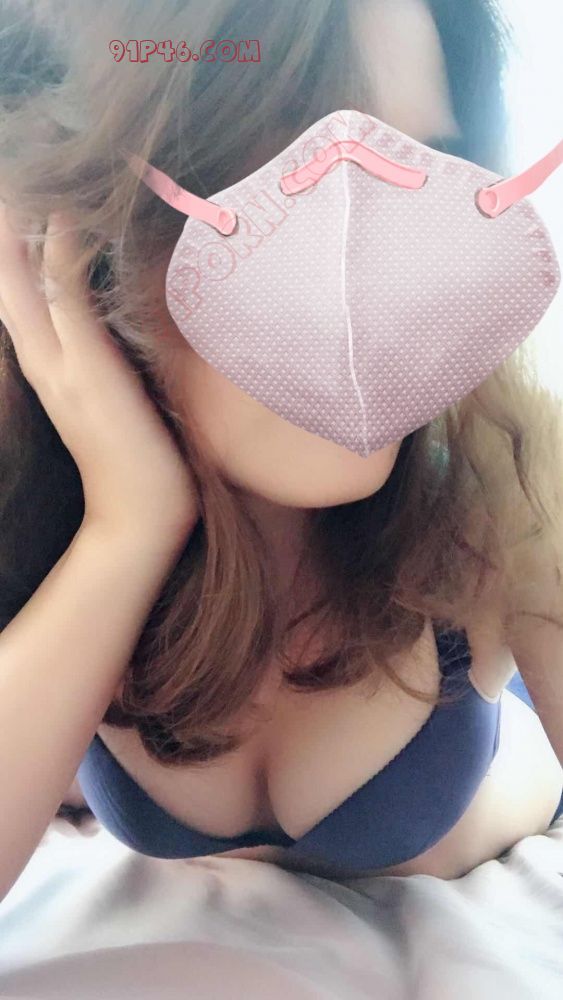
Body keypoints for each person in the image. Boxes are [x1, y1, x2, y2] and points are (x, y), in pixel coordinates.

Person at [0, 0, 562, 898]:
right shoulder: (29, 494)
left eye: (421, 170)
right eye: (280, 178)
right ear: (77, 239)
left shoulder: (511, 472)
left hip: (495, 783)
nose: (367, 279)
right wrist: (128, 524)